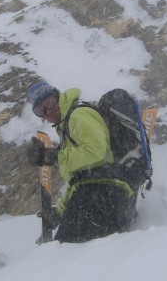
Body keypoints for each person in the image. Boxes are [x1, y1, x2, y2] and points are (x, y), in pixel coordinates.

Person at [26, 81, 135, 243]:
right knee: (67, 256)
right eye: (40, 110)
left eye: (49, 102)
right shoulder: (67, 128)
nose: (47, 111)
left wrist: (55, 156)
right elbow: (79, 182)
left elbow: (95, 151)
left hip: (103, 196)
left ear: (57, 96)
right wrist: (58, 214)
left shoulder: (78, 115)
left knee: (66, 255)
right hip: (98, 195)